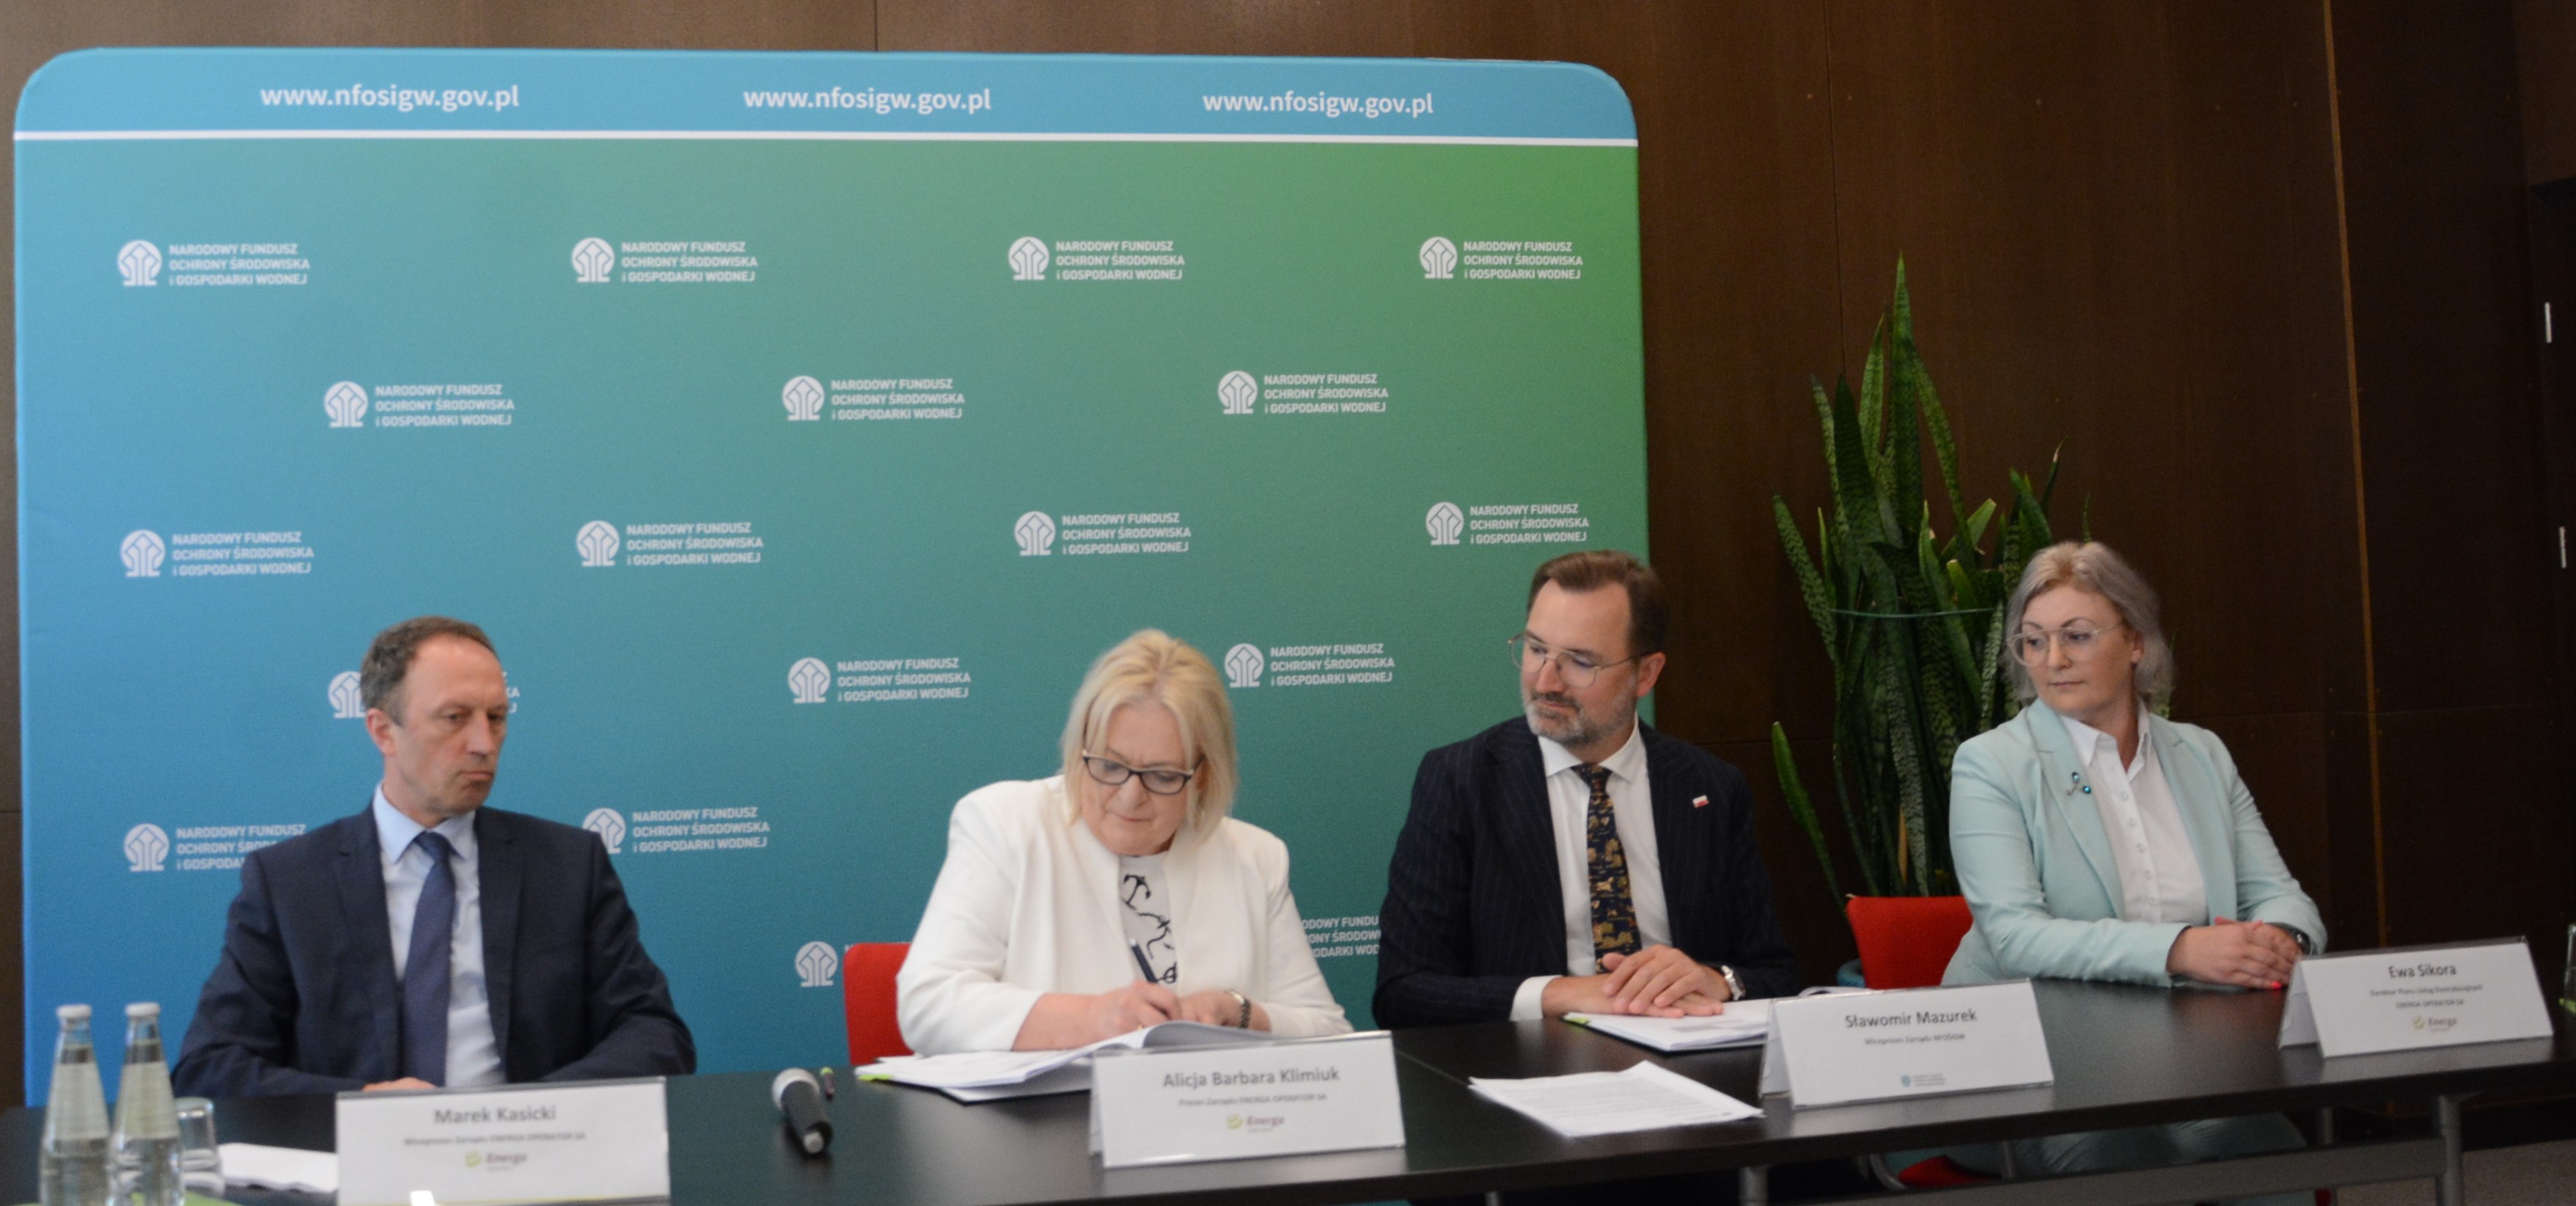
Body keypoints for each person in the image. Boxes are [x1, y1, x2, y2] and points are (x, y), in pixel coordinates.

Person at [1945, 541, 2324, 1200]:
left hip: (2192, 1058)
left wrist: (2278, 943)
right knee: (2119, 1157)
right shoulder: (1991, 764)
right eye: (2033, 641)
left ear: (2136, 643)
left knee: (2266, 1153)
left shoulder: (2201, 754)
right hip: (2035, 1065)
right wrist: (2181, 949)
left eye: (2075, 636)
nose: (2052, 660)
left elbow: (2281, 898)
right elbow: (2014, 936)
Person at [174, 617, 694, 1097]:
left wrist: (532, 1110)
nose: (483, 743)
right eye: (455, 718)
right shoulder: (290, 882)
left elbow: (655, 1033)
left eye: (496, 717)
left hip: (530, 1151)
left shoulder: (568, 866)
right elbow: (210, 1065)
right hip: (362, 1158)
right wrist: (362, 1103)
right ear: (383, 730)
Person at [1375, 549, 1799, 1030]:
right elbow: (1403, 992)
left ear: (1646, 673)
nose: (1545, 681)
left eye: (1580, 662)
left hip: (1687, 1057)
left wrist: (1716, 980)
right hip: (1529, 1063)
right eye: (1536, 649)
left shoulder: (1709, 787)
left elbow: (1776, 974)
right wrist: (1560, 993)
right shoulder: (1462, 781)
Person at [898, 629, 1349, 1053]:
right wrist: (1092, 1017)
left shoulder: (1255, 858)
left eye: (1162, 775)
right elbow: (927, 1004)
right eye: (1110, 766)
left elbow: (1330, 1033)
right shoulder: (1005, 825)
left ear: (1203, 776)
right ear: (1080, 750)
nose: (1130, 796)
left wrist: (1240, 1012)